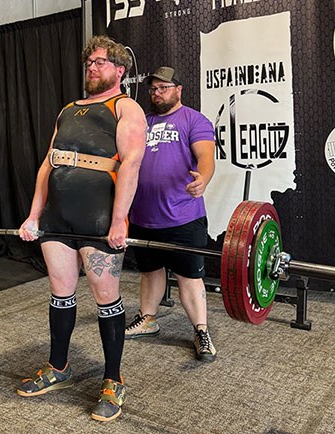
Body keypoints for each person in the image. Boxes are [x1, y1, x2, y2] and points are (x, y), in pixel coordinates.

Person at [17, 35, 146, 422]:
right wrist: (33, 215)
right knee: (60, 293)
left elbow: (131, 164)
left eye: (101, 62)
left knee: (106, 297)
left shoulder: (126, 107)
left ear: (119, 70)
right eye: (89, 61)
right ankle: (59, 367)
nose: (92, 66)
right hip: (57, 217)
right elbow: (47, 164)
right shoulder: (69, 109)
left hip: (98, 219)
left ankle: (113, 379)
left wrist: (120, 218)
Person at [124, 66, 217, 362]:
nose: (157, 93)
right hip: (143, 216)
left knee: (189, 276)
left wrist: (202, 179)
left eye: (164, 88)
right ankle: (148, 318)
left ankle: (201, 331)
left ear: (178, 90)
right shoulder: (142, 122)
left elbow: (206, 156)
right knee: (150, 272)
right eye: (153, 88)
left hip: (183, 217)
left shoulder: (194, 120)